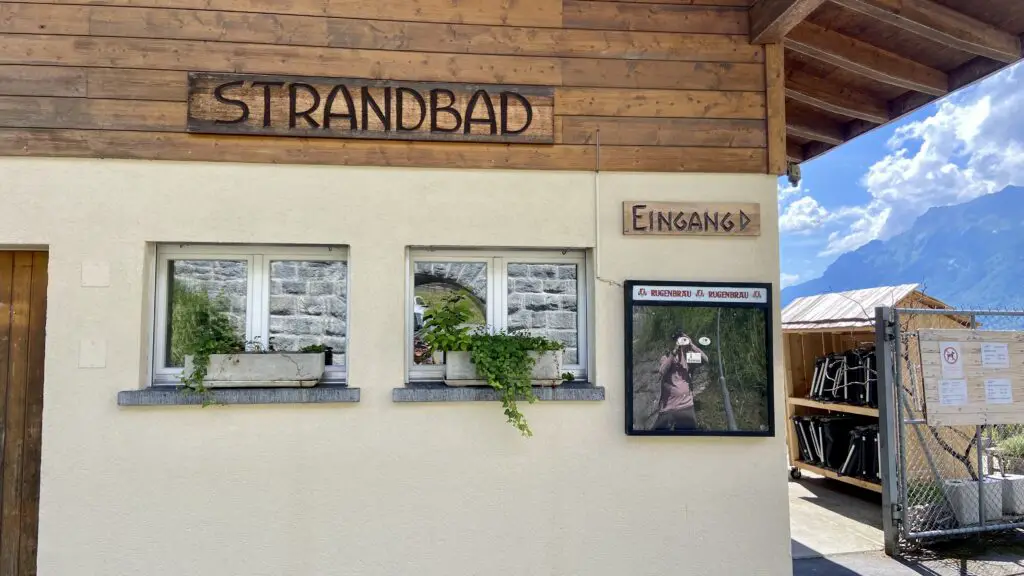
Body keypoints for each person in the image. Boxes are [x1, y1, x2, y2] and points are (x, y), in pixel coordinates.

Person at [652, 330, 709, 431]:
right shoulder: (666, 357)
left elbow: (705, 360)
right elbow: (662, 371)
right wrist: (674, 352)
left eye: (680, 339)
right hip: (669, 406)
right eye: (675, 340)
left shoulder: (688, 357)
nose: (677, 342)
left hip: (686, 405)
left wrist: (691, 345)